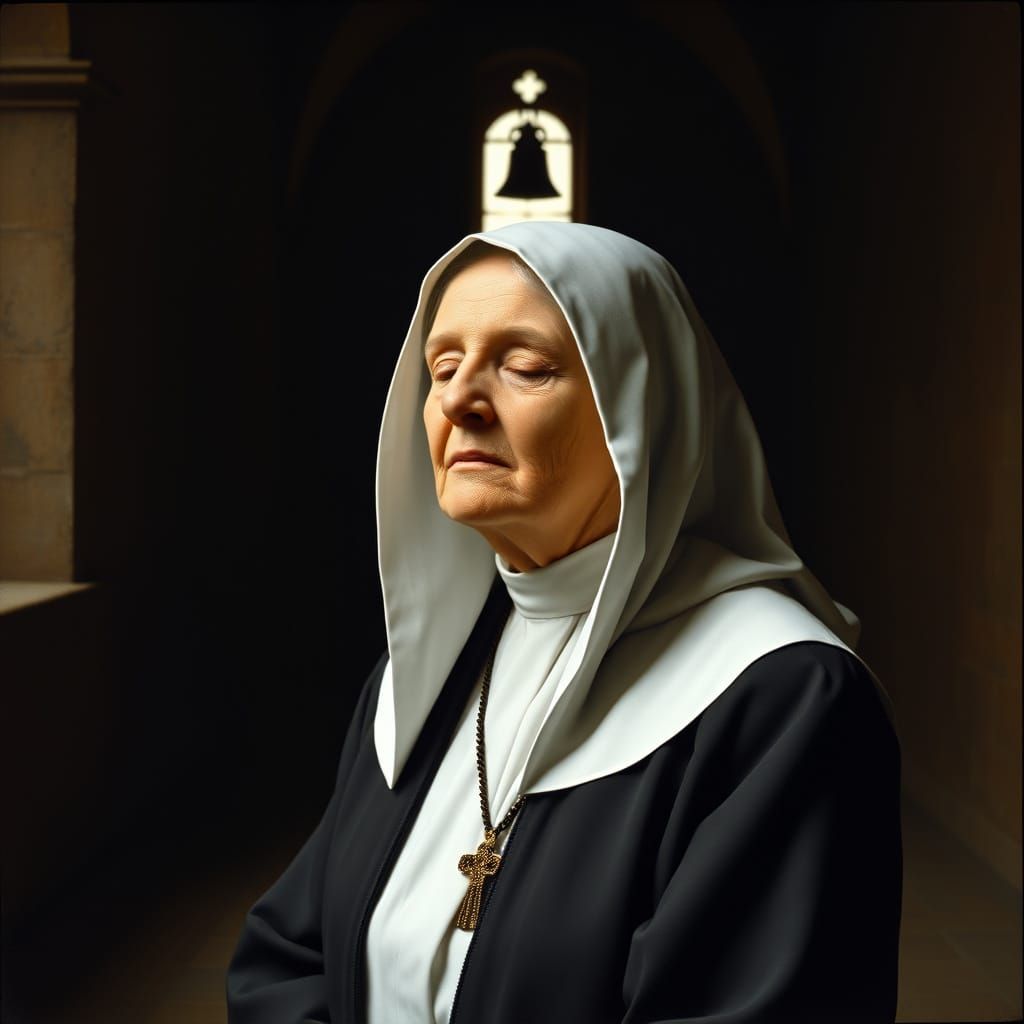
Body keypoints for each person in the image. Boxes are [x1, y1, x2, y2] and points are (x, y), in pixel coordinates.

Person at [226, 222, 902, 1023]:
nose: (461, 401)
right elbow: (289, 955)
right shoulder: (427, 670)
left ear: (644, 409)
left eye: (525, 367)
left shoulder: (783, 697)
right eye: (443, 367)